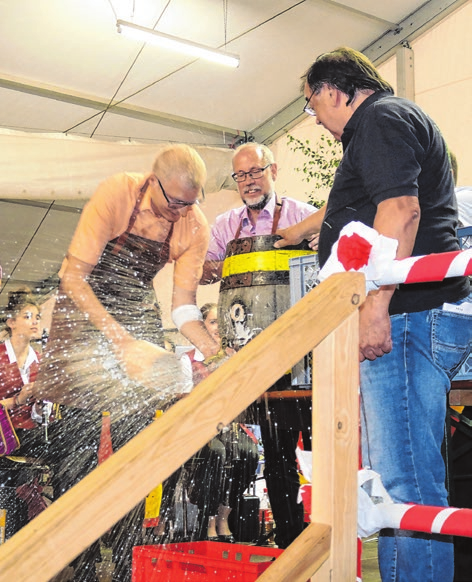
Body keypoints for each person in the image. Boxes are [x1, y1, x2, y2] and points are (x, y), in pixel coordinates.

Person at [274, 47, 471, 581]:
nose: (316, 119)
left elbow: (400, 210)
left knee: (405, 480)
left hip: (405, 314)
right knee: (392, 483)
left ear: (334, 90)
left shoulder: (380, 119)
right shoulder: (383, 125)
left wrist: (376, 305)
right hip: (407, 313)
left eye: (314, 105)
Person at [35, 143, 222, 582]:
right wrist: (119, 342)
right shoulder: (117, 193)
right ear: (151, 180)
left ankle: (127, 556)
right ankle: (72, 558)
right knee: (75, 451)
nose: (180, 211)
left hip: (137, 310)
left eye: (189, 203)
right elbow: (72, 276)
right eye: (173, 201)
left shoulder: (194, 224)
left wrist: (216, 351)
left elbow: (182, 307)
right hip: (83, 310)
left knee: (137, 444)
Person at [201, 142, 317, 549]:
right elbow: (205, 272)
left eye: (255, 171)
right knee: (277, 455)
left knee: (321, 451)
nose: (248, 181)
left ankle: (329, 534)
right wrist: (211, 263)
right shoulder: (224, 225)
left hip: (309, 352)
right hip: (256, 357)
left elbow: (331, 264)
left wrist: (318, 244)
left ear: (274, 170)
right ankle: (289, 542)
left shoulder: (303, 215)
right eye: (240, 175)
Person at [180, 303, 259, 542]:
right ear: (200, 326)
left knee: (248, 452)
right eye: (213, 322)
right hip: (197, 426)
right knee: (216, 453)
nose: (217, 328)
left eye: (221, 323)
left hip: (227, 424)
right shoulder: (189, 360)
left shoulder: (231, 355)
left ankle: (225, 512)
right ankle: (210, 517)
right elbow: (182, 401)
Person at [0, 290, 53, 530]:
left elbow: (42, 416)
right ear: (11, 322)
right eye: (28, 316)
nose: (35, 322)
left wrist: (41, 407)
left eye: (38, 317)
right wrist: (16, 401)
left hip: (28, 438)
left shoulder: (40, 362)